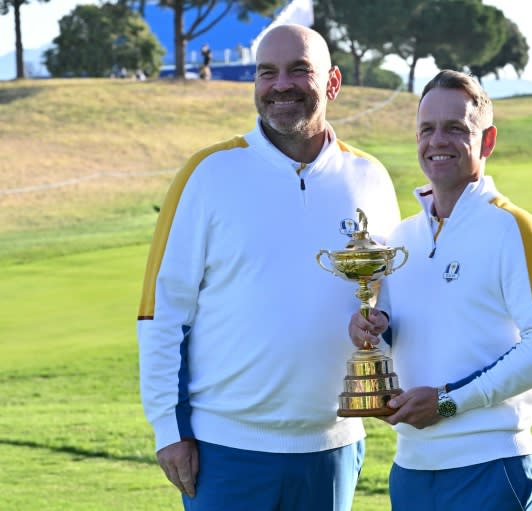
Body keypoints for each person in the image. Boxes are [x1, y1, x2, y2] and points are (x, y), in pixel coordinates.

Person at [137, 24, 400, 511]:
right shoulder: (208, 173)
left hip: (333, 447)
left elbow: (394, 301)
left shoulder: (370, 177)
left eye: (299, 70)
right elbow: (162, 312)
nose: (281, 85)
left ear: (333, 83)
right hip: (224, 452)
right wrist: (168, 429)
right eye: (267, 73)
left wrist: (383, 328)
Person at [349, 69, 532, 511]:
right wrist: (372, 326)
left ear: (487, 141)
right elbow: (405, 334)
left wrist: (448, 403)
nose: (438, 141)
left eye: (456, 129)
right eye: (427, 129)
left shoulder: (515, 229)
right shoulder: (401, 237)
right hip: (411, 471)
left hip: (491, 470)